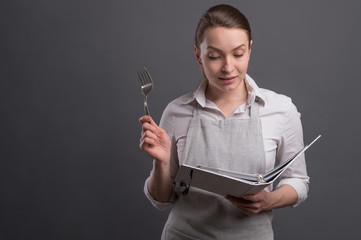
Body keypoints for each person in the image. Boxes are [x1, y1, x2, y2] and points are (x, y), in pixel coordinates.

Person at [139, 4, 309, 240]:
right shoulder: (177, 111)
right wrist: (161, 163)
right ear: (198, 55)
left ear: (249, 50)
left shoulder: (281, 109)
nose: (228, 67)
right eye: (215, 56)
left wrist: (269, 201)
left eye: (238, 54)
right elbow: (161, 199)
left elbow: (298, 181)